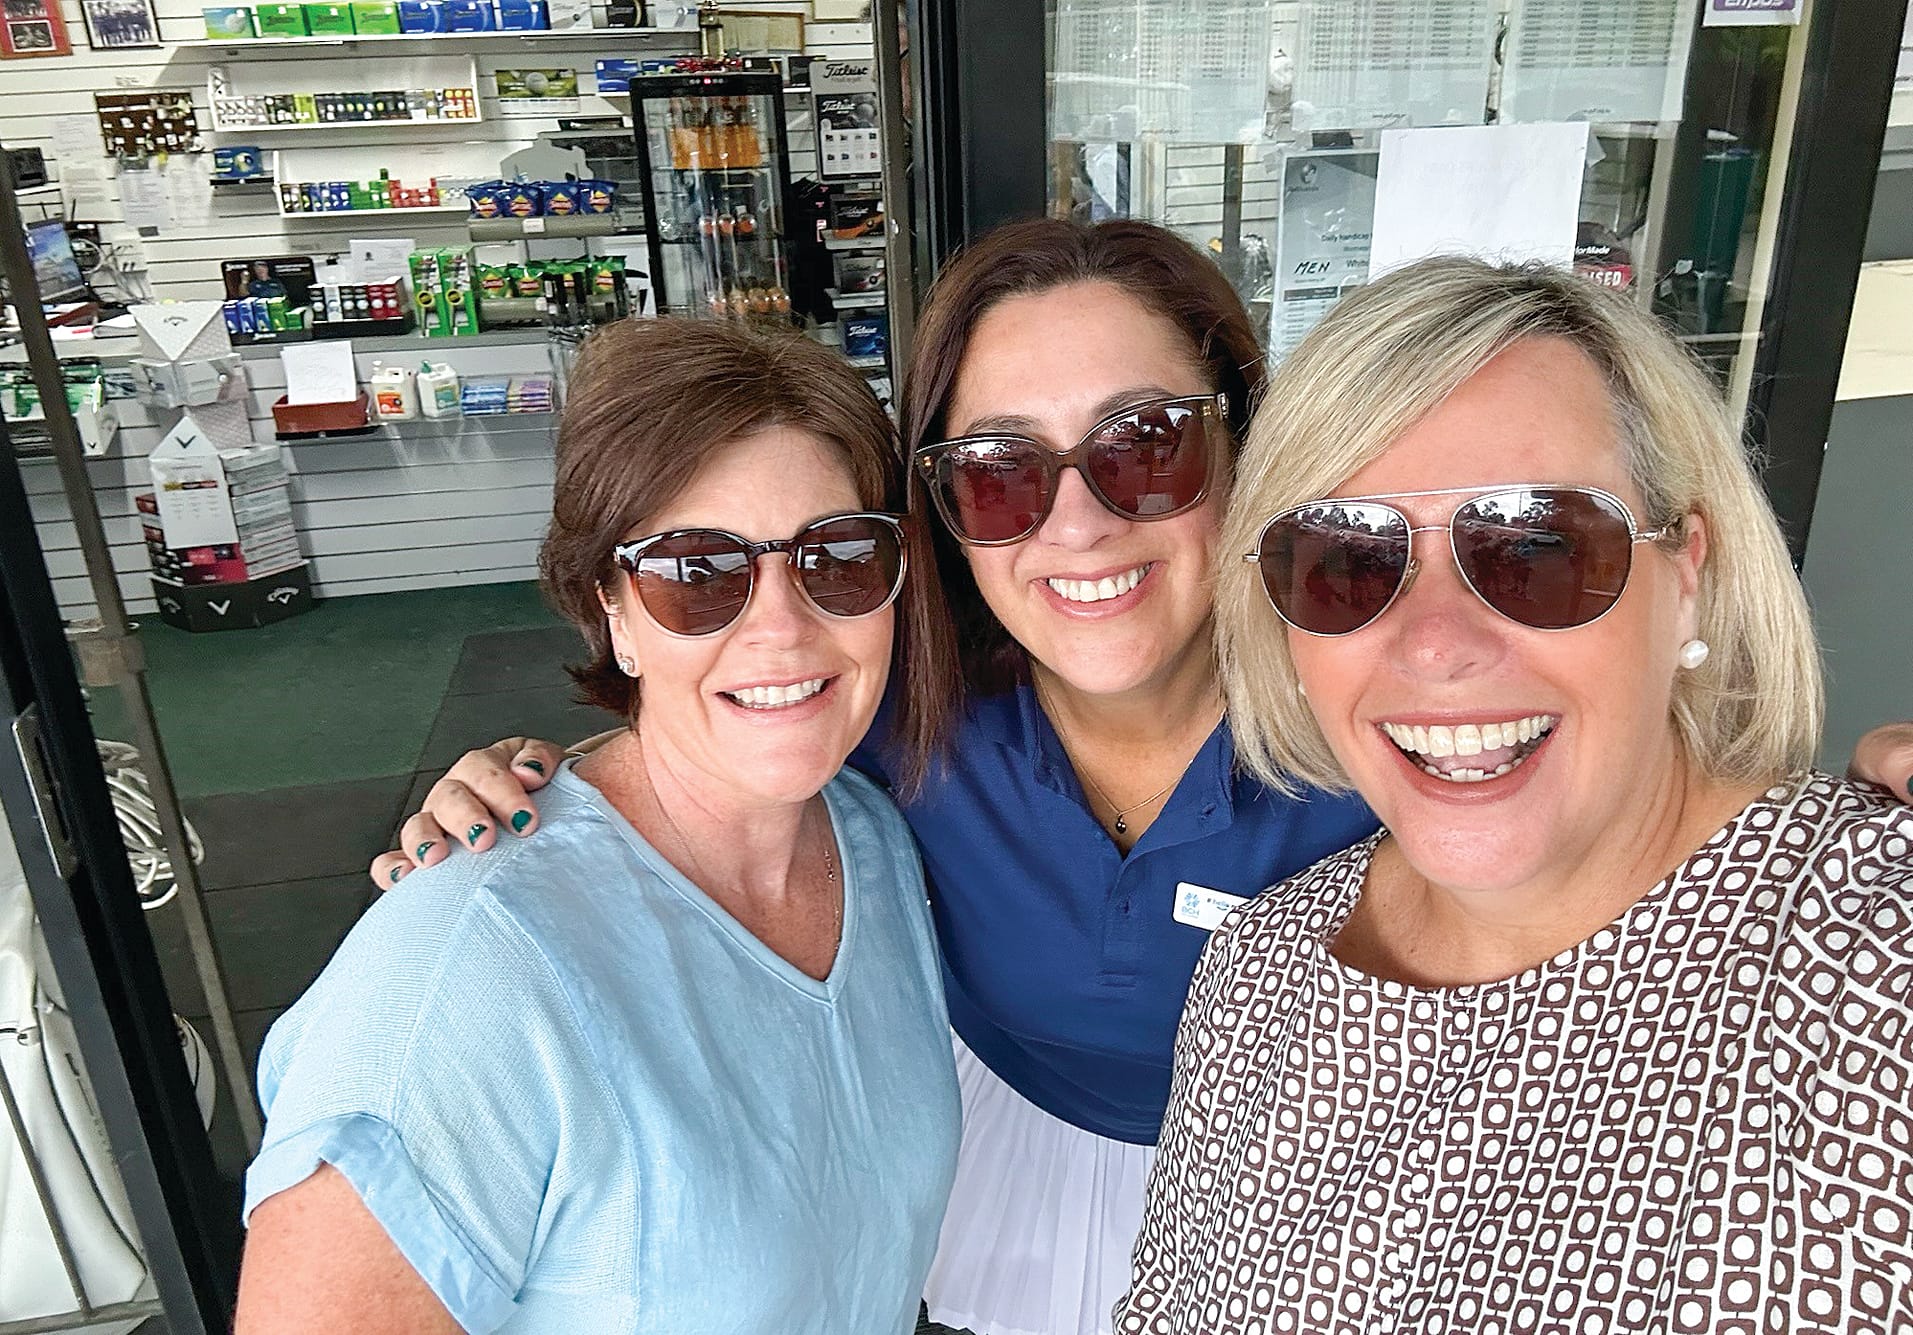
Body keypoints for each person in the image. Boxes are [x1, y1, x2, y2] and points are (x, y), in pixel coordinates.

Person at [368, 220, 1913, 1335]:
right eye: (996, 472)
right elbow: (731, 731)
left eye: (1145, 446)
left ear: (1243, 449)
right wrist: (547, 779)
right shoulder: (907, 728)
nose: (1078, 522)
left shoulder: (1387, 736)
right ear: (942, 520)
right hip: (1008, 1202)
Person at [1117, 257, 1913, 1333]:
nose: (1435, 644)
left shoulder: (1862, 967)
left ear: (1685, 575)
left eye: (1536, 547)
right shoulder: (1259, 975)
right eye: (1347, 560)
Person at [236, 318, 962, 1333]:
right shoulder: (464, 983)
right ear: (609, 608)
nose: (781, 628)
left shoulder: (877, 843)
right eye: (695, 574)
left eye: (835, 556)